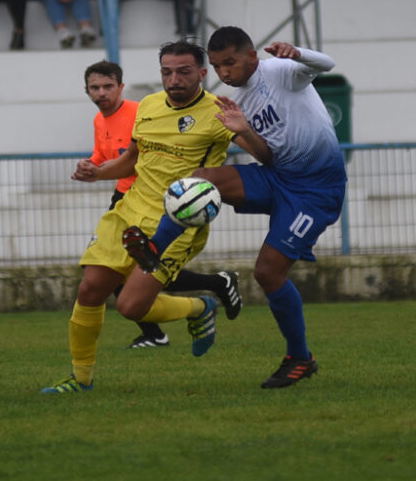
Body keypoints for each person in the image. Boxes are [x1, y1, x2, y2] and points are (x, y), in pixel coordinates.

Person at [121, 27, 346, 389]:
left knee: (268, 273)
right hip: (277, 176)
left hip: (315, 190)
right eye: (217, 66)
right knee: (200, 180)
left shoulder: (280, 71)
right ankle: (153, 249)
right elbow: (267, 156)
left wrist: (298, 53)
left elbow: (328, 63)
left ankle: (300, 357)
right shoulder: (235, 101)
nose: (224, 72)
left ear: (251, 56)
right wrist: (244, 130)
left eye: (230, 62)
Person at [42, 40, 254, 394]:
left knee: (130, 307)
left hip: (177, 222)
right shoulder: (150, 106)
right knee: (90, 289)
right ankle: (80, 380)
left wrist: (245, 130)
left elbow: (266, 154)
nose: (174, 79)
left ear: (202, 73)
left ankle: (199, 307)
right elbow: (132, 161)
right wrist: (98, 173)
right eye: (166, 72)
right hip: (129, 209)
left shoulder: (219, 112)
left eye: (183, 72)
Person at [82, 60, 242, 349]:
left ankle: (169, 324)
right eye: (95, 88)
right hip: (127, 200)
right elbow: (111, 156)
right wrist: (93, 168)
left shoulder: (140, 110)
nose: (101, 93)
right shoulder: (100, 120)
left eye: (107, 86)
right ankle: (164, 325)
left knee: (132, 284)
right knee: (104, 280)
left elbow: (142, 158)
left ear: (120, 87)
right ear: (87, 91)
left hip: (163, 205)